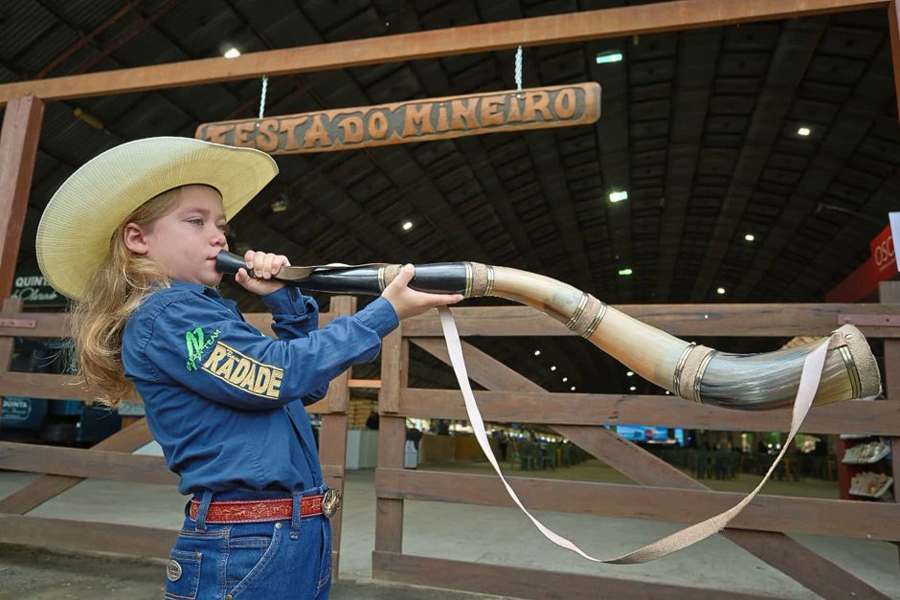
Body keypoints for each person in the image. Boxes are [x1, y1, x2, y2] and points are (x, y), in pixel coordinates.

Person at [35, 137, 463, 599]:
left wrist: (284, 299)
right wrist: (383, 313)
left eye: (221, 225)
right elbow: (273, 375)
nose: (219, 236)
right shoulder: (168, 315)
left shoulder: (204, 312)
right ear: (138, 239)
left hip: (280, 534)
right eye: (196, 221)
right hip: (246, 542)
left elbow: (303, 388)